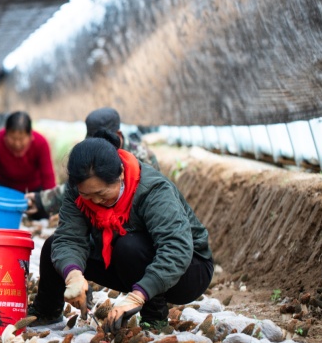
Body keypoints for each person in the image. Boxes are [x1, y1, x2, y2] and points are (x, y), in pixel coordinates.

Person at [31, 130, 212, 331]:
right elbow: (69, 238)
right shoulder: (77, 192)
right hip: (125, 262)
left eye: (101, 194)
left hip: (188, 270)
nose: (96, 201)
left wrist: (137, 296)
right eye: (87, 196)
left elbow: (176, 249)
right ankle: (45, 312)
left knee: (129, 246)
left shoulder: (153, 190)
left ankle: (154, 319)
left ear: (121, 175)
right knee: (53, 246)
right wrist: (73, 274)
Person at [26, 107, 160, 218]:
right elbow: (79, 187)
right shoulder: (91, 155)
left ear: (118, 135)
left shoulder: (143, 159)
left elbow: (151, 200)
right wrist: (40, 200)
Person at [0, 110, 56, 193]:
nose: (17, 144)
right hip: (1, 186)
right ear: (5, 134)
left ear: (30, 136)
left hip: (32, 189)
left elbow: (48, 177)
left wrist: (48, 200)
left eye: (21, 139)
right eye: (13, 138)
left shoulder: (41, 143)